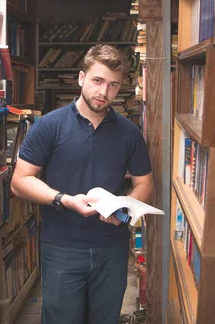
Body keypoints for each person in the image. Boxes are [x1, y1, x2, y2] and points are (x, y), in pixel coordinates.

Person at [11, 44, 153, 324]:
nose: (103, 92)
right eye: (97, 81)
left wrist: (124, 214)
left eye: (113, 85)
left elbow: (145, 183)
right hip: (62, 246)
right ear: (81, 78)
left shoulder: (129, 133)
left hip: (112, 248)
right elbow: (20, 181)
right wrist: (64, 199)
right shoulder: (49, 126)